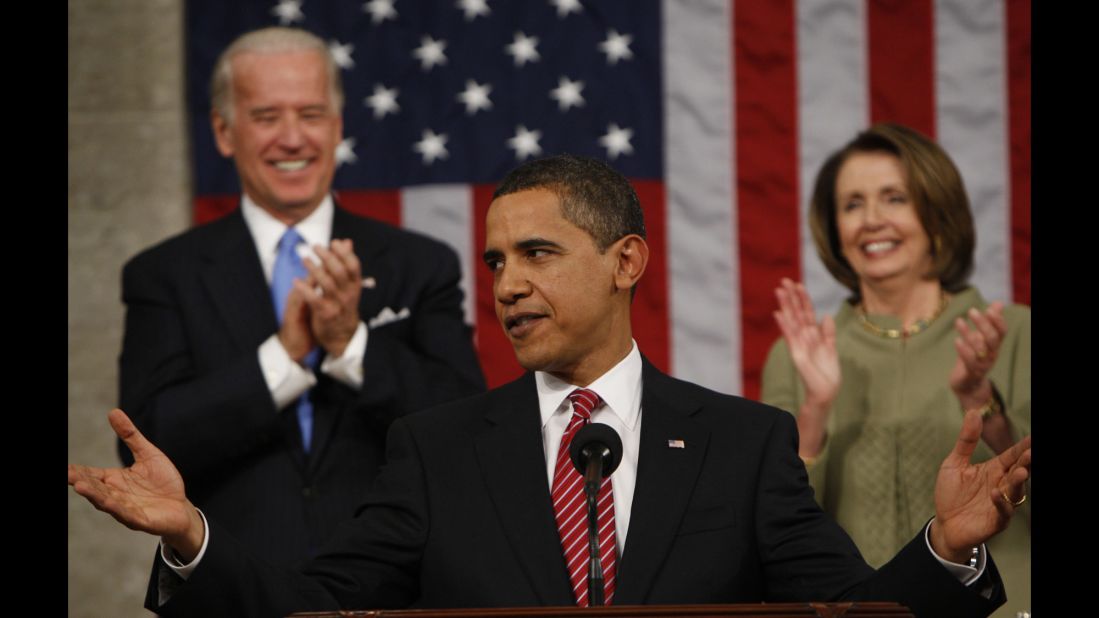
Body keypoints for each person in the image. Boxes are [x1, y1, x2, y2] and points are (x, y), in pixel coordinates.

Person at [72, 155, 1031, 617]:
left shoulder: (743, 446)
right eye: (493, 263)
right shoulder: (436, 449)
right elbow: (309, 611)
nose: (506, 286)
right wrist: (194, 537)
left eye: (537, 253)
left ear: (626, 262)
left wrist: (942, 547)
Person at [116, 27, 486, 568]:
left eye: (311, 115)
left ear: (337, 128)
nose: (293, 139)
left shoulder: (420, 263)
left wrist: (349, 344)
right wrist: (283, 356)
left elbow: (466, 430)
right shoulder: (163, 274)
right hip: (232, 585)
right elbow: (142, 448)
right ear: (223, 131)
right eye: (266, 117)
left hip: (395, 583)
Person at [760, 124, 1030, 616]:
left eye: (894, 198)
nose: (872, 220)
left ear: (938, 213)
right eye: (852, 204)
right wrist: (816, 411)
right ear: (834, 229)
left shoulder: (1015, 333)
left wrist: (982, 403)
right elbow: (777, 531)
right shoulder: (799, 354)